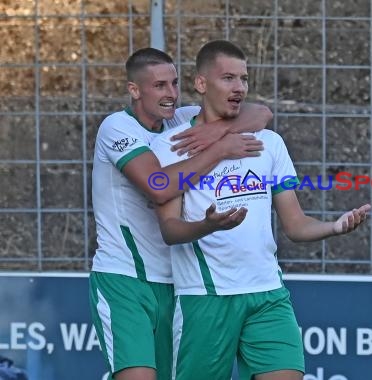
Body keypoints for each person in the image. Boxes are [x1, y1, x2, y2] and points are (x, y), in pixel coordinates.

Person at [150, 39, 372, 380]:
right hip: (206, 298)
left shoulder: (270, 142)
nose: (239, 87)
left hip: (268, 294)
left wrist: (334, 227)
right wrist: (208, 226)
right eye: (228, 78)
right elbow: (169, 230)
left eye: (244, 78)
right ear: (200, 84)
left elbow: (295, 224)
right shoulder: (173, 145)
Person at [89, 47, 273, 380]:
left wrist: (216, 130)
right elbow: (158, 186)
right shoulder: (116, 128)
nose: (171, 94)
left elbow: (260, 113)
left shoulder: (177, 119)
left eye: (174, 83)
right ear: (134, 90)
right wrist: (219, 148)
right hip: (125, 279)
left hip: (177, 283)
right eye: (159, 86)